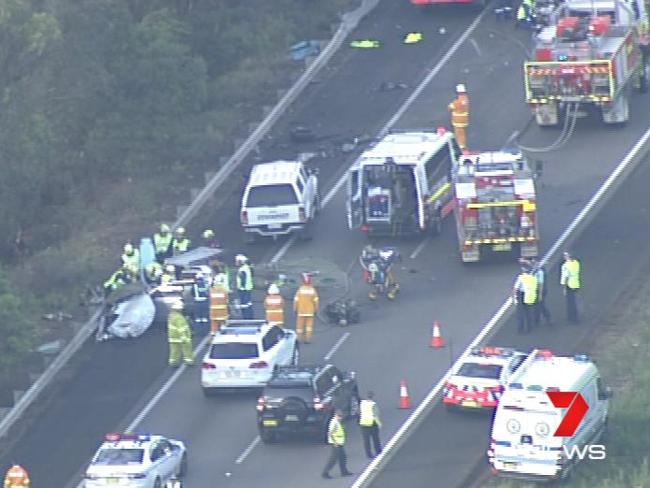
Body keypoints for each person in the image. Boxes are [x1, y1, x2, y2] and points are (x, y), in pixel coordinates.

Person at [322, 410, 353, 479]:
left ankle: (344, 471)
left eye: (341, 416)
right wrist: (335, 443)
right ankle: (325, 472)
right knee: (333, 459)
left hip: (340, 442)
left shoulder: (338, 422)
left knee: (343, 457)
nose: (340, 418)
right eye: (339, 416)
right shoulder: (334, 423)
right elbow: (330, 433)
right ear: (336, 415)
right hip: (336, 444)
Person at [293, 273, 319, 343]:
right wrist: (316, 310)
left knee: (299, 327)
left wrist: (295, 309)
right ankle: (308, 339)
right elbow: (316, 301)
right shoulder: (313, 290)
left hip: (301, 311)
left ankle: (299, 339)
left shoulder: (300, 290)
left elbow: (296, 300)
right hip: (310, 312)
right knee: (309, 327)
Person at [167, 301, 194, 367]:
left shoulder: (171, 316)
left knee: (174, 351)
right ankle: (189, 361)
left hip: (173, 337)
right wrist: (184, 337)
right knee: (187, 349)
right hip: (181, 338)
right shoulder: (179, 317)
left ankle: (173, 362)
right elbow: (181, 328)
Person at [512, 264, 537, 333]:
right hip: (530, 296)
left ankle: (520, 329)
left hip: (521, 296)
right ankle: (529, 328)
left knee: (520, 314)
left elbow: (515, 288)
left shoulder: (521, 277)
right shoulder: (533, 278)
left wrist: (514, 298)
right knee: (528, 313)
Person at [529, 258, 552, 326]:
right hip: (535, 291)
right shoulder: (535, 270)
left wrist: (540, 295)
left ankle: (548, 317)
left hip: (540, 291)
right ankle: (536, 321)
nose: (533, 264)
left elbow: (541, 284)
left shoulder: (540, 272)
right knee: (535, 306)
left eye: (534, 263)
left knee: (541, 306)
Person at [359, 391, 382, 459]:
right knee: (376, 439)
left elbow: (359, 412)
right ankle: (378, 451)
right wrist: (379, 424)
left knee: (366, 441)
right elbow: (376, 415)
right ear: (372, 397)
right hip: (372, 424)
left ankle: (368, 454)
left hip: (363, 424)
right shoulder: (373, 404)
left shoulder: (362, 403)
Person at [560, 251, 581, 324]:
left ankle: (572, 318)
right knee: (575, 302)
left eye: (565, 255)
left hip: (569, 285)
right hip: (576, 284)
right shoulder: (576, 263)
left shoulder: (565, 266)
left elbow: (565, 277)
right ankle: (576, 317)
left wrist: (564, 288)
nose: (564, 257)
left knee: (570, 302)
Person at [448, 84, 470, 150]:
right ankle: (462, 145)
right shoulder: (465, 99)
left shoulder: (458, 102)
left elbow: (450, 107)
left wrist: (453, 103)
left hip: (458, 120)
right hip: (464, 119)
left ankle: (461, 147)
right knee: (462, 133)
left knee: (459, 134)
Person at [209, 267, 229, 334]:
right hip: (222, 312)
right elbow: (226, 301)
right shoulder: (224, 291)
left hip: (214, 312)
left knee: (214, 324)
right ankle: (223, 332)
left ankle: (214, 333)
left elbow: (210, 300)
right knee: (223, 324)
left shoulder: (211, 291)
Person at [236, 254, 254, 319]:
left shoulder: (242, 269)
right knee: (248, 304)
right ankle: (250, 316)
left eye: (237, 261)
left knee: (244, 305)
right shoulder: (247, 267)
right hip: (248, 288)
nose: (236, 263)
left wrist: (241, 288)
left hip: (244, 290)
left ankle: (246, 317)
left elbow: (243, 279)